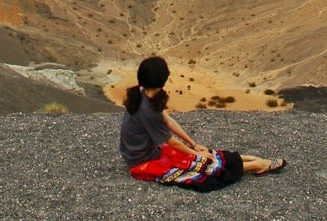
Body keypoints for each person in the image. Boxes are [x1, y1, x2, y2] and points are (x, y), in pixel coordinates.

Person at [119, 56, 286, 192]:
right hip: (143, 162)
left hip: (149, 153)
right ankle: (257, 165)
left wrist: (194, 145)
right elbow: (172, 141)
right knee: (203, 169)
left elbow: (168, 120)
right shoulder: (148, 110)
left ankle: (254, 160)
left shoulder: (144, 94)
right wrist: (195, 153)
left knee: (205, 155)